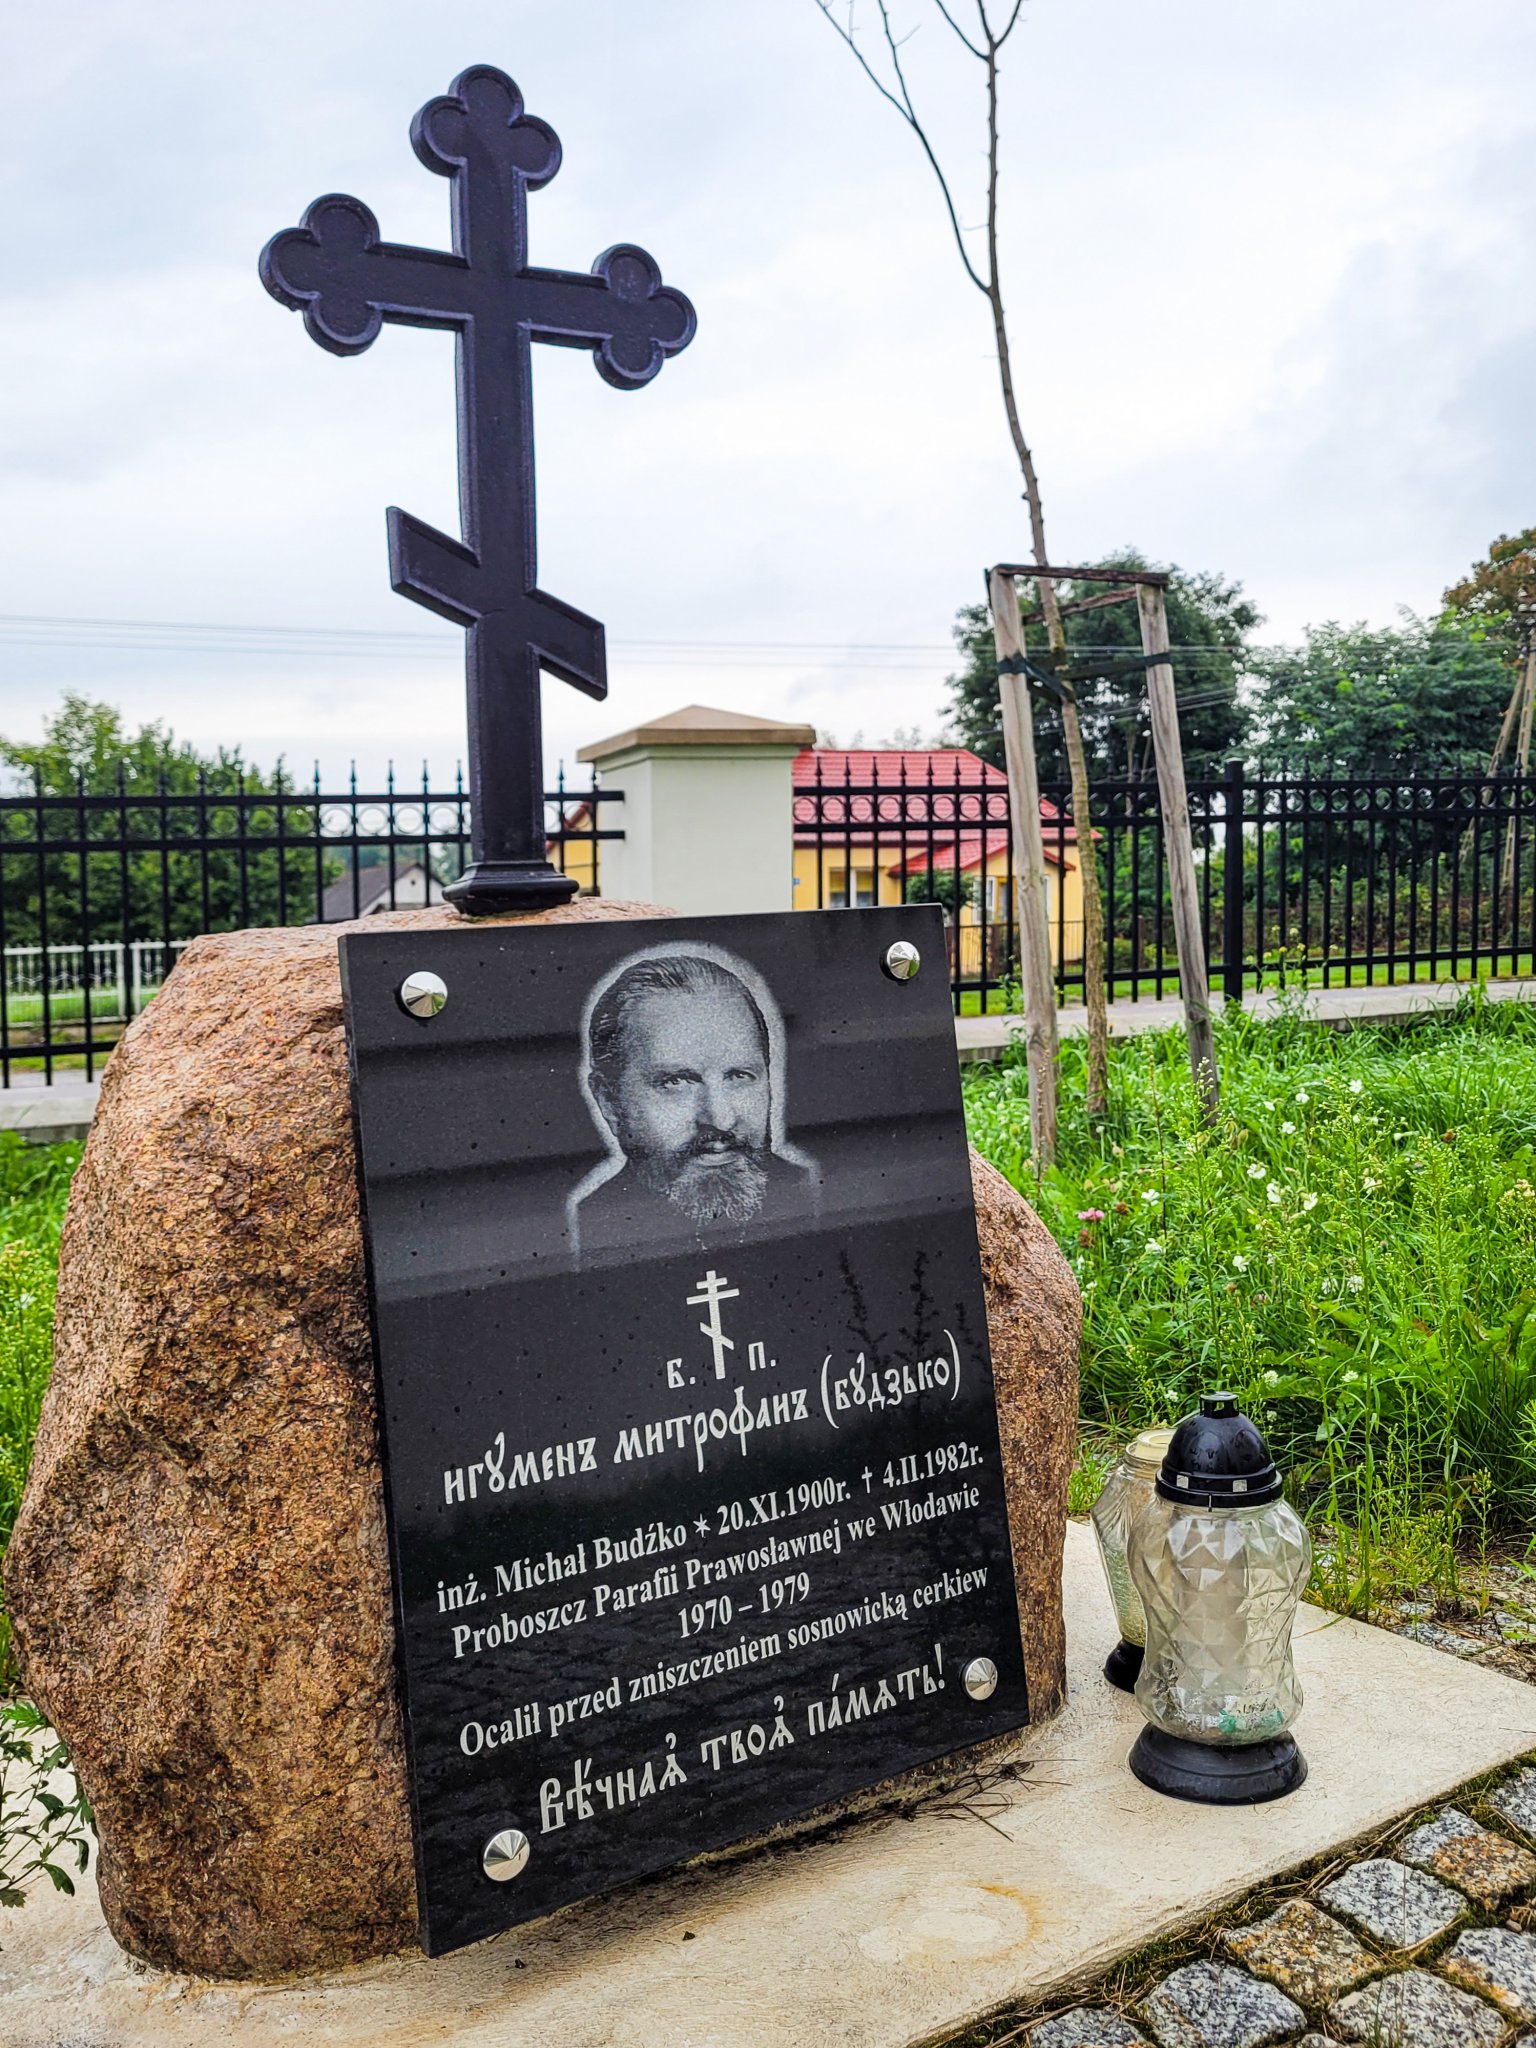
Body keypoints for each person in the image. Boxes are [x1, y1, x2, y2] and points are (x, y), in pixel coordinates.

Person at [569, 952, 816, 1261]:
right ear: (609, 1101)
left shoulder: (813, 1195)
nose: (720, 1119)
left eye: (739, 1076)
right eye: (676, 1081)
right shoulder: (594, 1222)